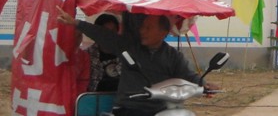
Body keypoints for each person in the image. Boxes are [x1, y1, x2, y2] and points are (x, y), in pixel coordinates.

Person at [57, 7, 213, 116]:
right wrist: (76, 23)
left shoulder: (173, 56)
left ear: (163, 32)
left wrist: (204, 85)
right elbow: (103, 35)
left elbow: (188, 75)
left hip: (157, 110)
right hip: (126, 109)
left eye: (148, 28)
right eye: (142, 27)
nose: (142, 31)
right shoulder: (129, 47)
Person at [86, 13, 121, 92]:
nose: (109, 35)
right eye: (105, 31)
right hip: (94, 98)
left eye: (113, 31)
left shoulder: (126, 54)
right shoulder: (87, 55)